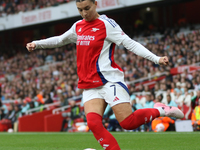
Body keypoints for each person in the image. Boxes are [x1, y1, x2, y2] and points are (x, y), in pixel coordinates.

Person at [26, 0, 184, 149]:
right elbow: (60, 40)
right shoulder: (78, 26)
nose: (84, 13)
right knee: (94, 124)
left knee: (128, 123)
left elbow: (131, 43)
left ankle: (162, 110)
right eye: (80, 10)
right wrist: (37, 44)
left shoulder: (107, 24)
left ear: (95, 4)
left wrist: (156, 59)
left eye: (87, 8)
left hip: (109, 81)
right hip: (90, 85)